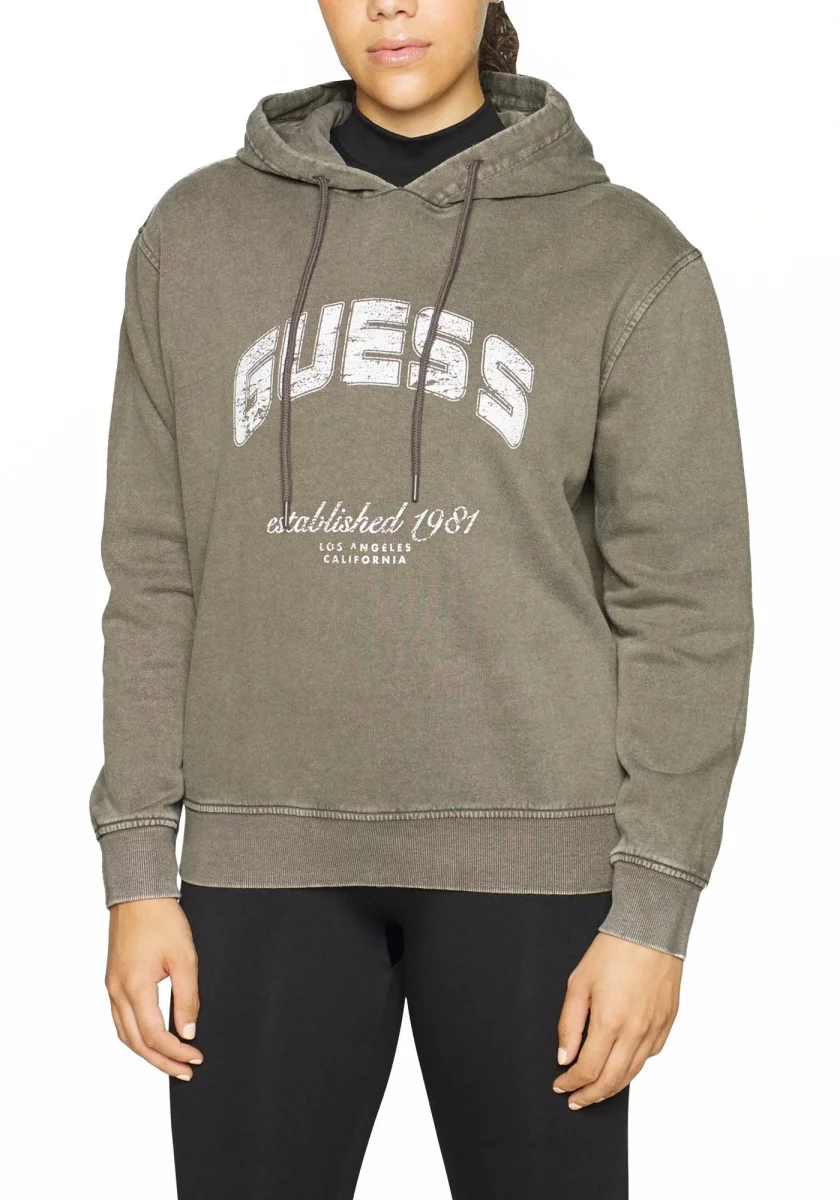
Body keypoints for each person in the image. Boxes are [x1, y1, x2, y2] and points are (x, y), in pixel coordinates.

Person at [91, 2, 754, 1197]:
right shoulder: (194, 240)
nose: (389, 4)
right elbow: (151, 570)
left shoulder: (624, 256)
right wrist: (138, 868)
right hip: (261, 862)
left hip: (535, 869)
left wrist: (654, 910)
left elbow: (688, 608)